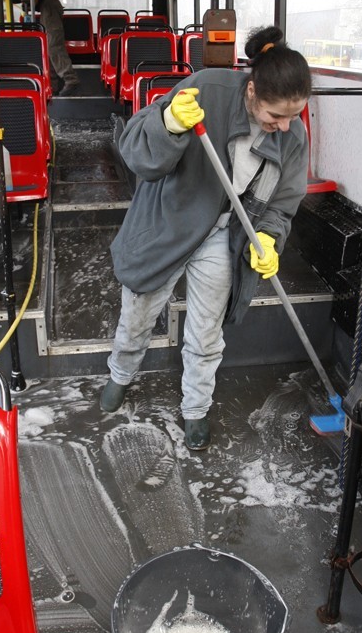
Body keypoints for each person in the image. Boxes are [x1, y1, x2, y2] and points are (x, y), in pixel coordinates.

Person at [100, 24, 311, 451]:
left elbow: (282, 203)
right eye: (276, 117)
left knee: (205, 330)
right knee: (139, 311)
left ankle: (195, 408)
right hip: (171, 222)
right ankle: (120, 374)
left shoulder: (293, 137)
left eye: (294, 115)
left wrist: (269, 238)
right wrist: (169, 124)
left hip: (223, 233)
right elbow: (138, 153)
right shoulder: (204, 90)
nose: (286, 127)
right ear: (252, 92)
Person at [1, 0, 79, 96]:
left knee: (54, 44)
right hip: (46, 7)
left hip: (49, 6)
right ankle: (53, 85)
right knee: (48, 47)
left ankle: (70, 79)